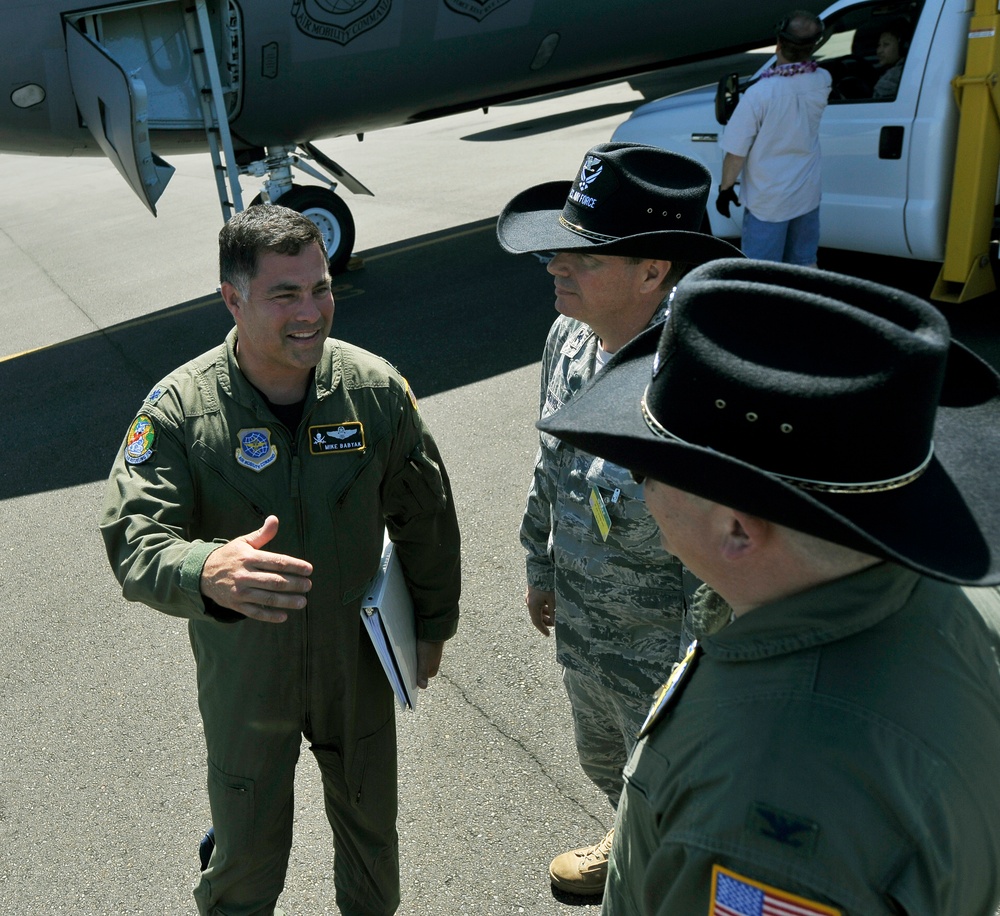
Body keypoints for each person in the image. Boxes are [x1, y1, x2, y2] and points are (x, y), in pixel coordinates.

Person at [536, 257, 1000, 915]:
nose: (638, 483)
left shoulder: (760, 817)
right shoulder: (950, 602)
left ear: (737, 530)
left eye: (649, 467)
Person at [100, 205, 461, 916]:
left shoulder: (373, 390)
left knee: (371, 836)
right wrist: (204, 570)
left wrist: (434, 625)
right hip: (246, 672)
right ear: (233, 299)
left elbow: (426, 514)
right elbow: (133, 533)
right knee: (247, 852)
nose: (311, 313)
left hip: (353, 661)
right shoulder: (178, 410)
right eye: (284, 295)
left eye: (320, 288)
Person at [496, 142, 741, 895]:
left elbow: (726, 562)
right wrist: (542, 564)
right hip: (589, 626)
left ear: (653, 271)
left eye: (582, 256)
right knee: (608, 766)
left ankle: (677, 883)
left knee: (686, 800)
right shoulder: (569, 336)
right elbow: (553, 458)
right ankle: (632, 840)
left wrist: (689, 688)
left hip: (669, 652)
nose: (554, 266)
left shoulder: (698, 376)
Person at [717, 11, 831, 267]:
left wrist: (725, 190)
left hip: (768, 203)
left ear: (778, 45)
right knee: (804, 263)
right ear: (813, 47)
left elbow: (735, 153)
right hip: (807, 195)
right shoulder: (823, 80)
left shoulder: (760, 95)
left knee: (762, 271)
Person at [872, 20, 909, 100]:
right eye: (879, 45)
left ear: (902, 46)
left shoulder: (892, 77)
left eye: (886, 44)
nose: (879, 51)